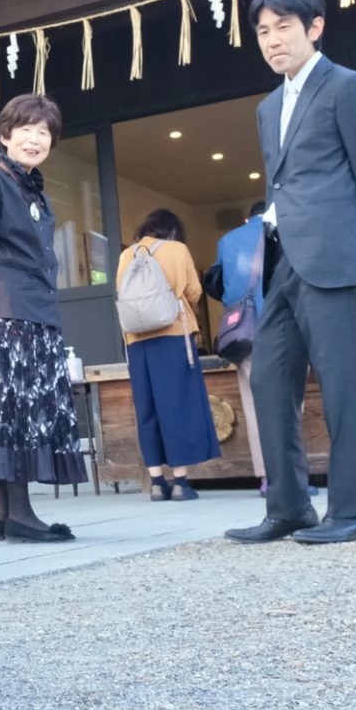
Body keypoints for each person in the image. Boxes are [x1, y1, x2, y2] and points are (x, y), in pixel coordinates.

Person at [226, 0, 356, 547]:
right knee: (271, 380)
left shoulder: (348, 87)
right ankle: (290, 508)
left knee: (342, 384)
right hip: (281, 260)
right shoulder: (267, 106)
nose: (273, 41)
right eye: (263, 32)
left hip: (334, 255)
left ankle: (353, 511)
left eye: (284, 28)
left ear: (314, 28)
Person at [0, 94, 88, 542]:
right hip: (9, 310)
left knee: (27, 408)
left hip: (36, 309)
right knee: (14, 410)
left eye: (44, 131)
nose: (35, 138)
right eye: (26, 129)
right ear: (5, 135)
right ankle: (22, 513)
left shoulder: (34, 190)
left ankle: (1, 513)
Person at [115, 209, 220, 500]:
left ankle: (157, 482)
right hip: (173, 337)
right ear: (172, 230)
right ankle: (180, 483)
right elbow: (194, 291)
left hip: (136, 341)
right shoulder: (177, 249)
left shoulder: (127, 255)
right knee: (178, 407)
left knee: (147, 410)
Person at [206, 201, 273, 488]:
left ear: (247, 219)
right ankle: (290, 475)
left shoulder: (228, 240)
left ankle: (266, 478)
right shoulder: (283, 234)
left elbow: (214, 283)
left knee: (253, 403)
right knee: (289, 403)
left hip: (244, 333)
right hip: (282, 326)